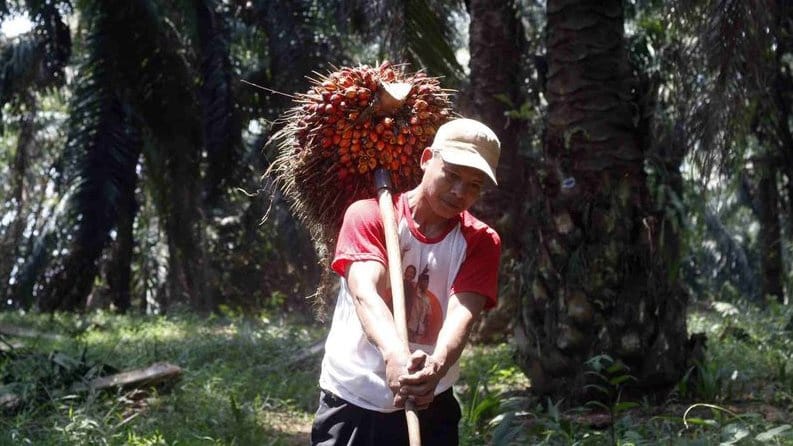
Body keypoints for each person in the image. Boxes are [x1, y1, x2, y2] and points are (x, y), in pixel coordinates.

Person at [311, 118, 502, 445]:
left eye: (474, 184)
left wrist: (435, 367)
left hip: (432, 400)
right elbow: (365, 294)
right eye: (452, 174)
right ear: (427, 159)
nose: (459, 192)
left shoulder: (481, 241)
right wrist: (395, 356)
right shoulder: (368, 215)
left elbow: (462, 314)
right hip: (353, 398)